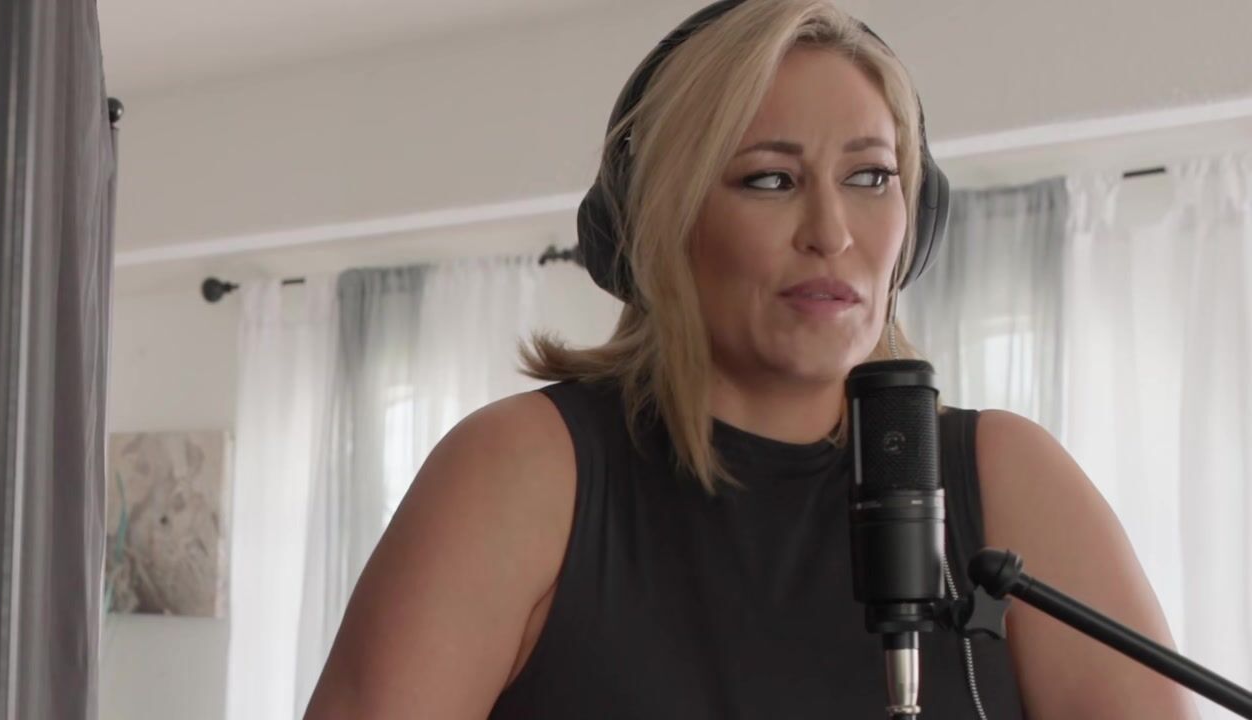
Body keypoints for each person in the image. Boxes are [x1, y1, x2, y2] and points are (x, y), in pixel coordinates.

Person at [304, 1, 1198, 717]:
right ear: (658, 221)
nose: (831, 232)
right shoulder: (520, 471)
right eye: (769, 179)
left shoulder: (1009, 476)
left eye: (871, 176)